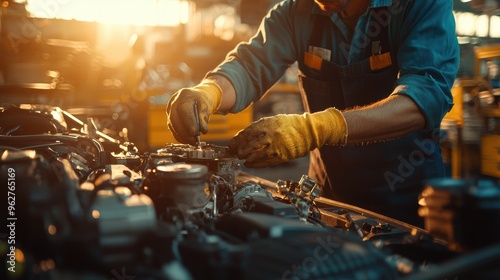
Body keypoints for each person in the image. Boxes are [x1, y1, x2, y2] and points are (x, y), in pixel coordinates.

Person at [166, 0, 459, 226]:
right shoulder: (297, 11)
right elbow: (249, 65)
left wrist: (318, 128)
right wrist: (209, 92)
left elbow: (424, 97)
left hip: (408, 198)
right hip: (327, 195)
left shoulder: (418, 5)